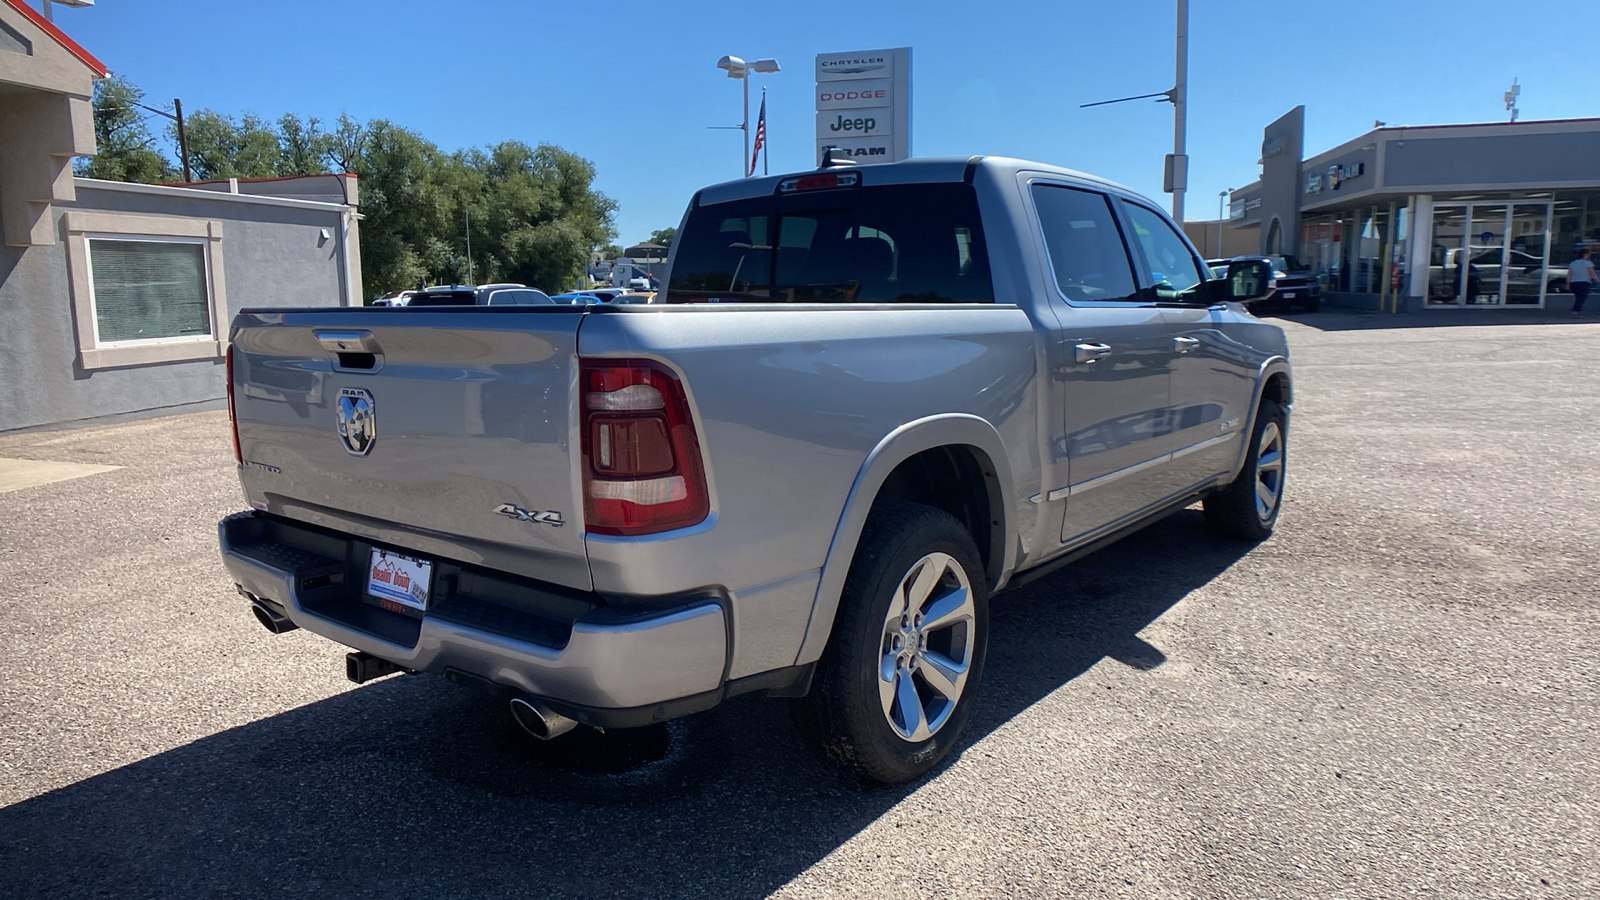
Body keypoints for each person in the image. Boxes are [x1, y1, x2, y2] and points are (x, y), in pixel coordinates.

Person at [1570, 248, 1598, 318]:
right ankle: (1575, 312)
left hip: (1574, 282)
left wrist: (1568, 283)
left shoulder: (1573, 263)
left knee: (1578, 297)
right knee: (1581, 298)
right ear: (1585, 255)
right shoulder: (1588, 263)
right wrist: (1598, 280)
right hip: (1584, 282)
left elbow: (1569, 274)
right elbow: (1592, 273)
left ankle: (1575, 311)